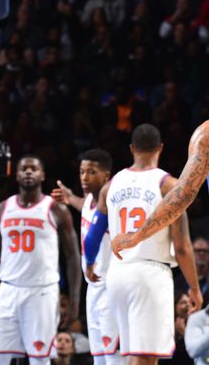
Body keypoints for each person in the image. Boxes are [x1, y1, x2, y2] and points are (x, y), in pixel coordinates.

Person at [86, 124, 201, 363]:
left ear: (131, 148)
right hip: (149, 273)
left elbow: (92, 236)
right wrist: (194, 288)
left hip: (117, 275)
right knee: (147, 357)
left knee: (133, 355)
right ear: (160, 148)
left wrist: (89, 262)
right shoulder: (169, 185)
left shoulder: (110, 186)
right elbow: (182, 247)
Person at [0, 155, 81, 364]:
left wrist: (74, 299)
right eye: (23, 168)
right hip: (8, 290)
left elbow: (72, 256)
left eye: (33, 169)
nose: (28, 172)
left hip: (41, 292)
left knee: (39, 360)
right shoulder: (2, 208)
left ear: (42, 175)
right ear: (16, 175)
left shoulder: (56, 209)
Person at [52, 149, 122, 364]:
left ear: (106, 175)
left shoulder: (114, 202)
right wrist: (70, 198)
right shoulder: (91, 201)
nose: (84, 177)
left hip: (111, 286)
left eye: (91, 172)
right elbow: (86, 208)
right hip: (93, 287)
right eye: (82, 172)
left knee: (114, 355)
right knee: (98, 354)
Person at [111, 120, 209, 257]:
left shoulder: (205, 135)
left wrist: (136, 237)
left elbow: (182, 196)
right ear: (160, 148)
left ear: (132, 148)